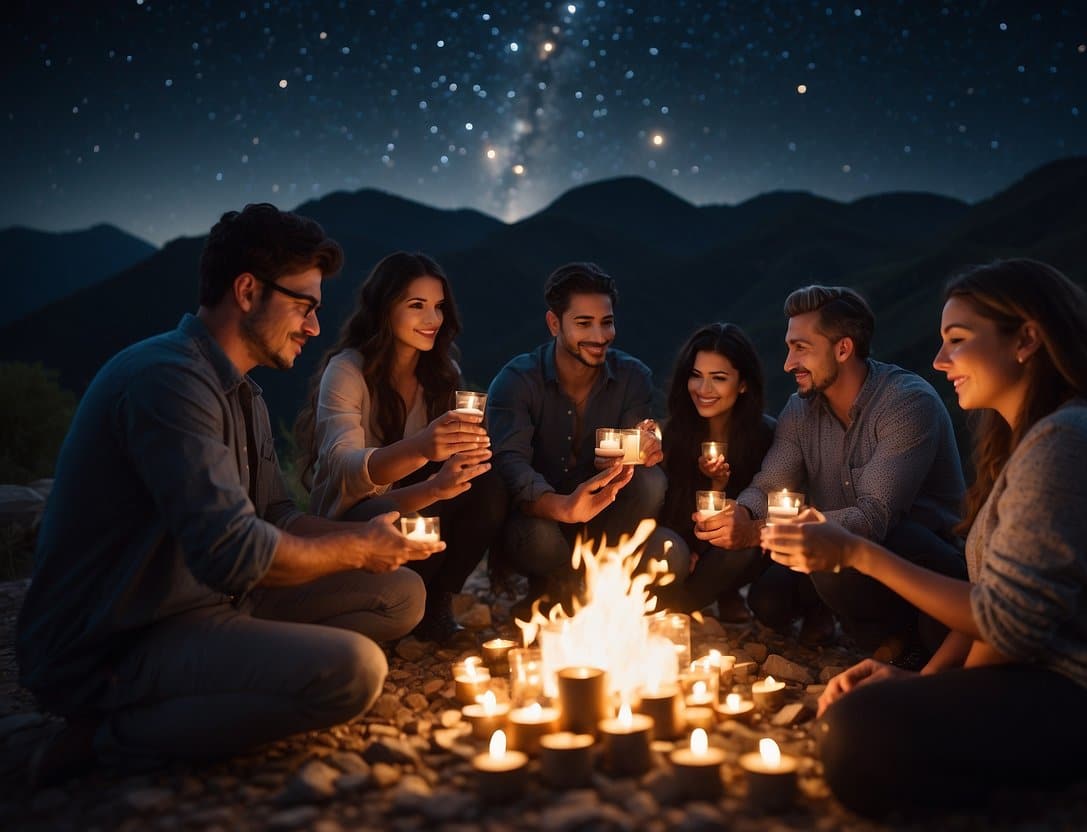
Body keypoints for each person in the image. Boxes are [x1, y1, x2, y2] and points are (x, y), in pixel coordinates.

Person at [17, 204, 444, 784]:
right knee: (354, 672)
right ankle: (110, 730)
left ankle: (241, 671)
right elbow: (235, 553)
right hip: (122, 637)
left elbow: (278, 516)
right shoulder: (167, 380)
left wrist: (372, 540)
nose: (315, 327)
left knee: (400, 594)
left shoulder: (243, 395)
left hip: (215, 600)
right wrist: (357, 550)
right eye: (305, 306)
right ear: (247, 290)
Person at [764, 259, 1087, 815]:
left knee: (859, 735)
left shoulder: (1072, 442)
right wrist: (925, 682)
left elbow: (1006, 621)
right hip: (1036, 668)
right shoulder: (1025, 442)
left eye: (957, 341)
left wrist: (857, 553)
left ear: (1027, 339)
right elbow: (995, 597)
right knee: (866, 712)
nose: (939, 361)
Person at [696, 285, 967, 658]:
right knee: (769, 600)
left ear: (843, 349)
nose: (789, 363)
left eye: (801, 348)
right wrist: (741, 514)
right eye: (790, 347)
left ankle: (898, 643)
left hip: (921, 556)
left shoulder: (906, 403)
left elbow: (874, 517)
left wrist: (757, 531)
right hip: (840, 540)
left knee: (831, 570)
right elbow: (771, 483)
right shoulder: (800, 409)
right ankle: (834, 615)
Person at [297, 251, 508, 642]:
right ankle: (394, 609)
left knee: (487, 483)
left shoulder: (444, 374)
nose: (433, 320)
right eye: (417, 306)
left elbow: (452, 468)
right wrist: (424, 450)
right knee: (435, 490)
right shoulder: (347, 371)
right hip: (354, 519)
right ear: (384, 308)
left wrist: (466, 456)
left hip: (424, 504)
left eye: (439, 307)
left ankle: (437, 604)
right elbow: (345, 468)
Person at [487, 262, 688, 616]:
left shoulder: (633, 377)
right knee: (538, 538)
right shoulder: (517, 380)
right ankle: (557, 587)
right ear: (554, 324)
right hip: (540, 521)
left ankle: (599, 584)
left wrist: (640, 451)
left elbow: (635, 447)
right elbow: (510, 466)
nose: (599, 336)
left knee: (669, 543)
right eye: (584, 323)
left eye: (606, 322)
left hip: (607, 524)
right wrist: (563, 507)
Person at [653, 323, 775, 620]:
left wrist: (721, 484)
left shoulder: (767, 435)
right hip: (681, 551)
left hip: (734, 553)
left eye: (718, 379)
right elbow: (663, 511)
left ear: (743, 384)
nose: (703, 390)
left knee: (742, 548)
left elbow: (765, 510)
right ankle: (676, 606)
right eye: (696, 376)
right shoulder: (670, 434)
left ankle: (705, 600)